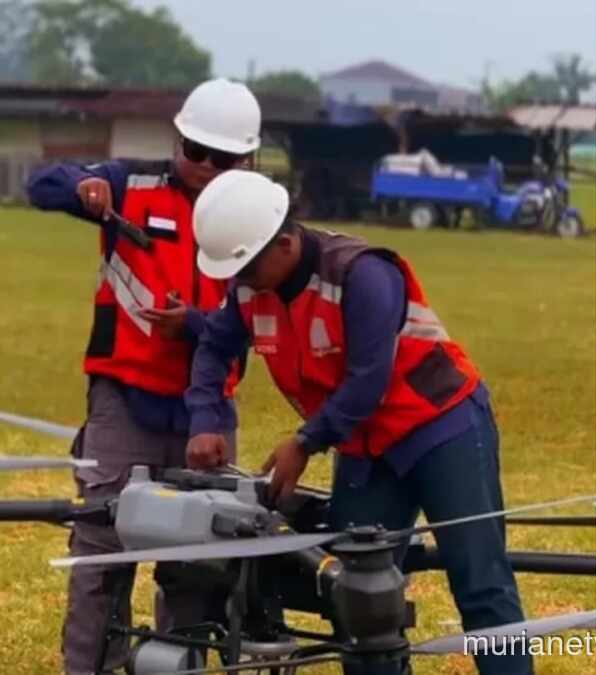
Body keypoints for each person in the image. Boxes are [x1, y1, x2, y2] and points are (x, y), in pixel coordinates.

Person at [184, 170, 533, 674]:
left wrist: (305, 442)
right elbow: (214, 346)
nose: (240, 281)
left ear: (284, 245)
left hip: (442, 428)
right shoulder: (248, 291)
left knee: (481, 585)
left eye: (247, 268)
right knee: (357, 599)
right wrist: (205, 419)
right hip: (365, 448)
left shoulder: (362, 274)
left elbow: (369, 379)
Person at [25, 78, 260, 674]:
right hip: (123, 400)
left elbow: (261, 318)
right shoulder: (131, 185)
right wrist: (81, 185)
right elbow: (41, 185)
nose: (205, 167)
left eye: (222, 158)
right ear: (177, 141)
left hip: (208, 413)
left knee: (199, 560)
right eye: (195, 151)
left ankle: (176, 665)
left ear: (247, 160)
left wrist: (197, 325)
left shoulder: (257, 216)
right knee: (101, 554)